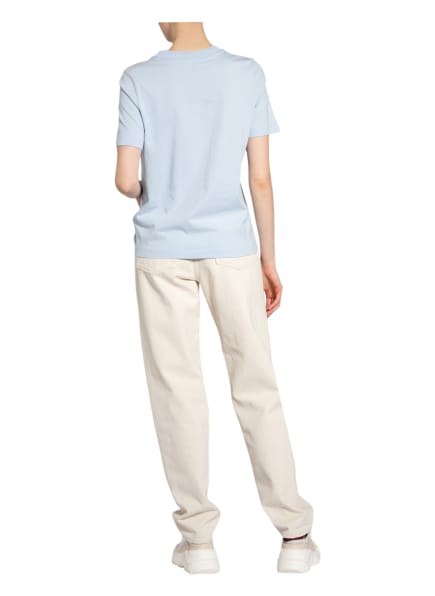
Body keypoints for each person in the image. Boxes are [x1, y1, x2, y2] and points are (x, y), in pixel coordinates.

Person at [115, 21, 320, 574]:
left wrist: (155, 189)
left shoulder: (137, 78)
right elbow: (260, 180)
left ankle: (199, 542)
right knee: (256, 384)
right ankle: (294, 536)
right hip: (234, 249)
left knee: (176, 390)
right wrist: (268, 261)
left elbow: (125, 180)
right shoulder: (245, 73)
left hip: (161, 253)